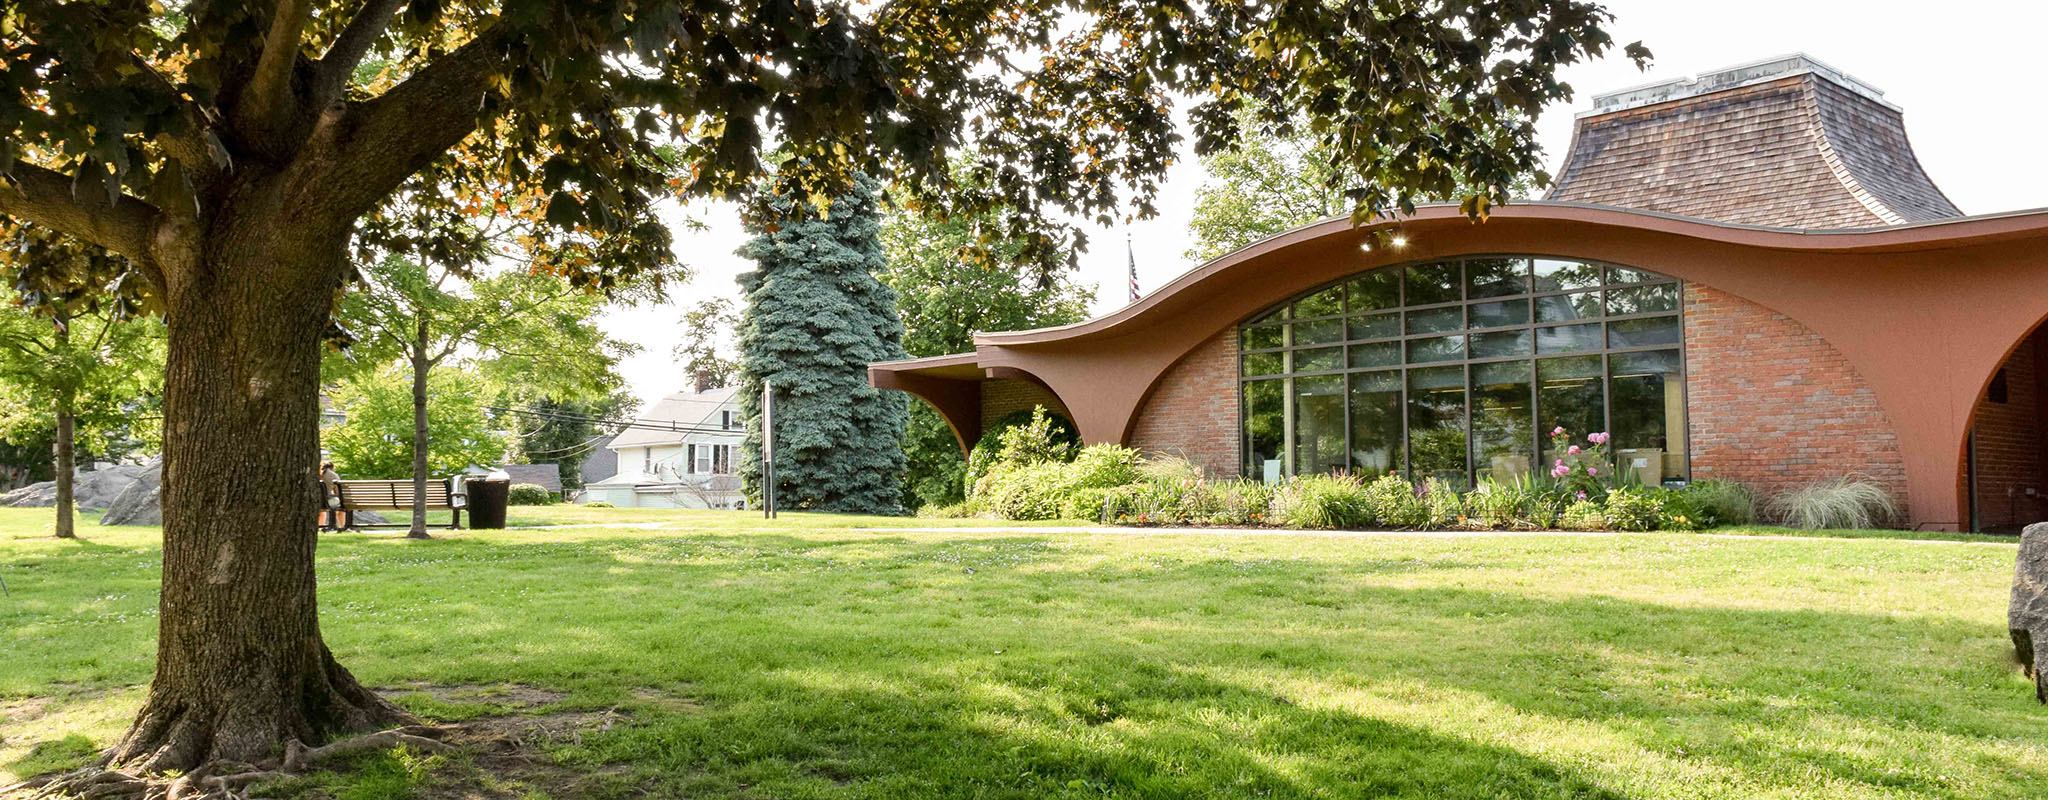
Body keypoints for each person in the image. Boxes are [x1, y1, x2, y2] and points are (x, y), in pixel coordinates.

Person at [319, 461, 347, 531]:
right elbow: (338, 492)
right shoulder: (333, 475)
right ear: (332, 467)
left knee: (322, 508)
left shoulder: (315, 474)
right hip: (328, 501)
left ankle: (321, 526)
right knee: (341, 504)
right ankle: (342, 526)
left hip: (317, 501)